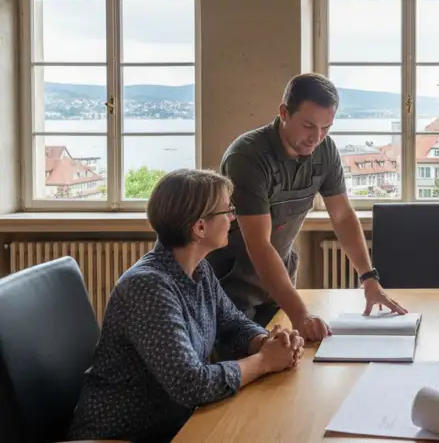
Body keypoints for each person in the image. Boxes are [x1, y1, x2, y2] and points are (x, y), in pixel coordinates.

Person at [67, 169, 304, 443]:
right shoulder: (148, 287)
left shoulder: (198, 269)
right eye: (227, 211)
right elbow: (192, 385)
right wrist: (264, 362)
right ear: (199, 227)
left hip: (175, 424)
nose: (232, 218)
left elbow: (232, 323)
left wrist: (267, 342)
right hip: (123, 435)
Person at [206, 73, 407, 342]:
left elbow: (342, 215)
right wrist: (300, 314)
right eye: (308, 125)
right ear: (284, 112)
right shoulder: (247, 157)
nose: (316, 137)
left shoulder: (325, 151)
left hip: (280, 285)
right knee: (242, 368)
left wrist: (369, 278)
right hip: (232, 288)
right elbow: (259, 244)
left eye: (326, 127)